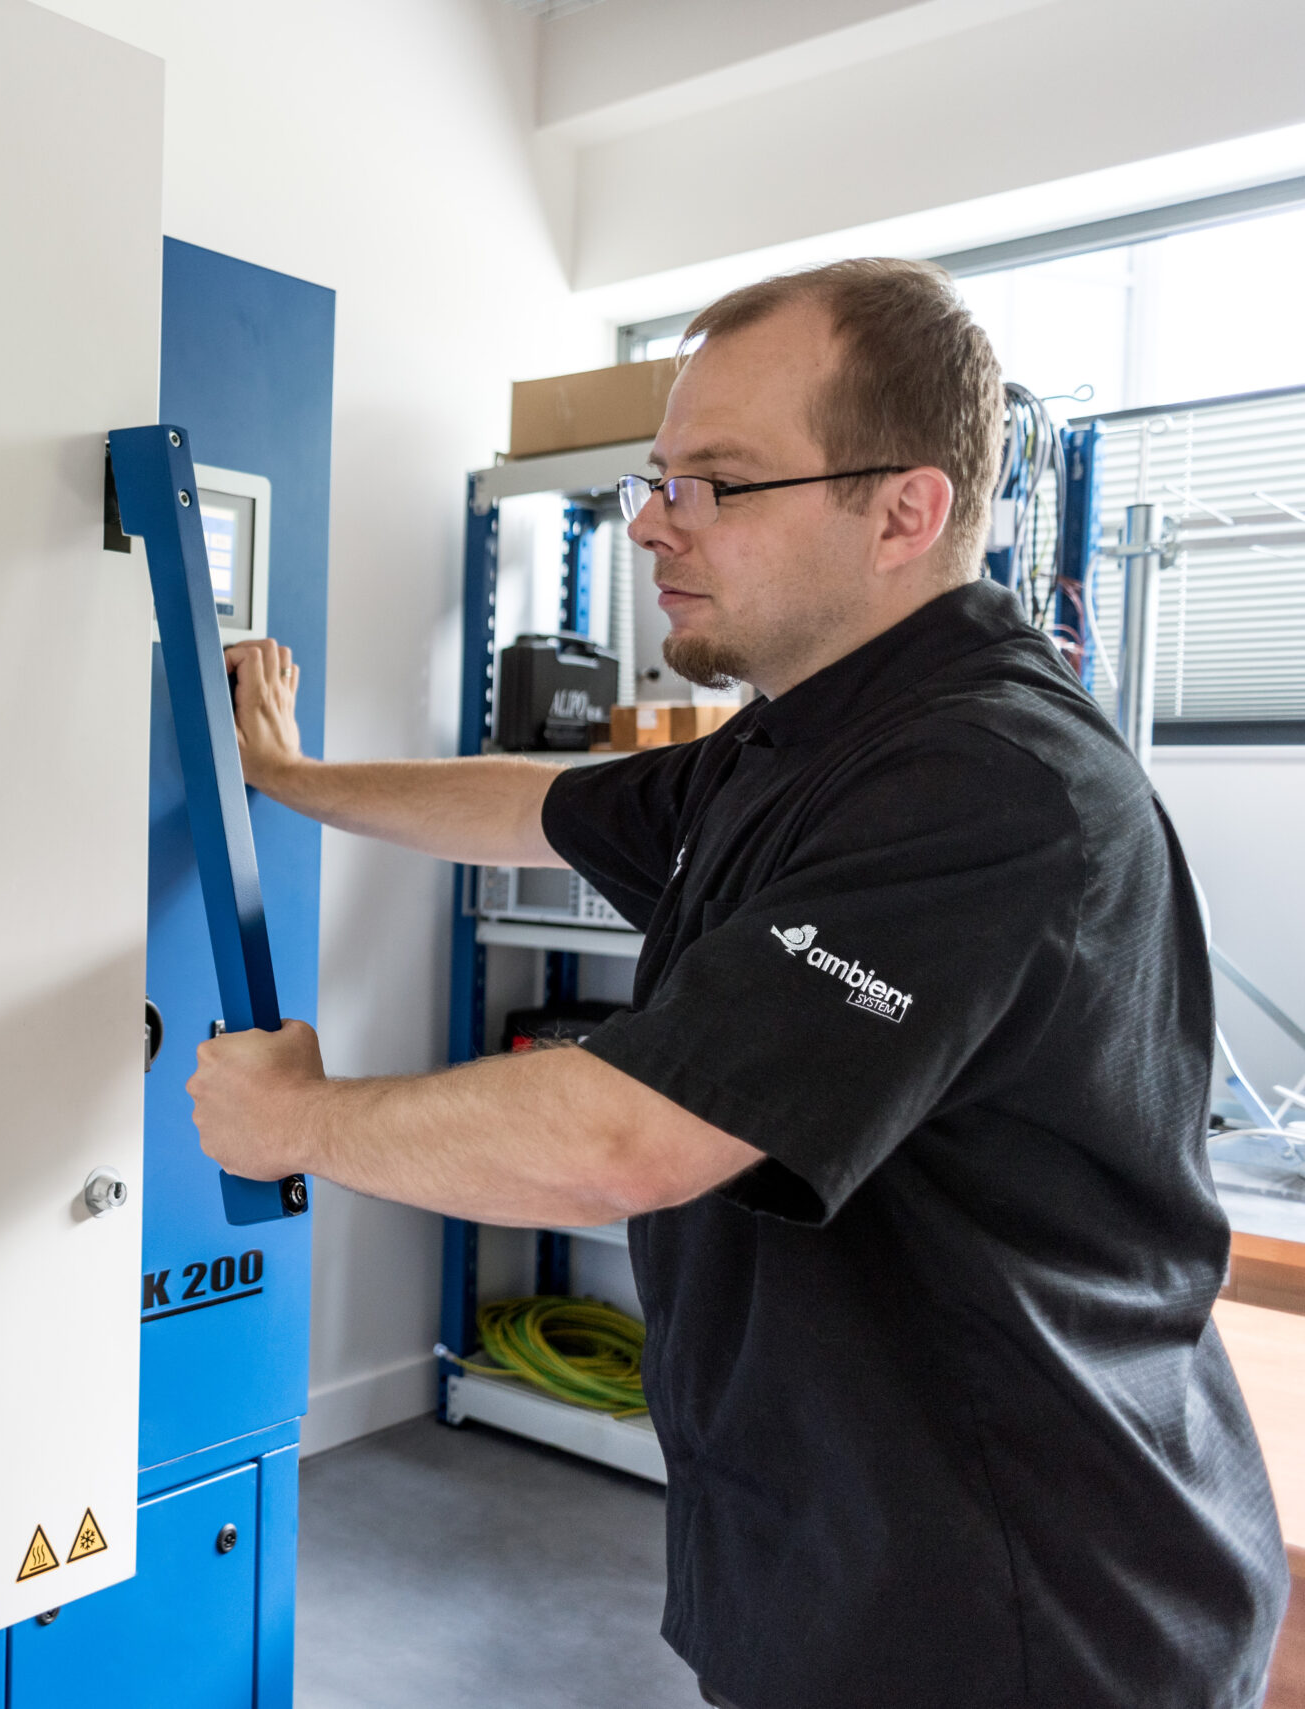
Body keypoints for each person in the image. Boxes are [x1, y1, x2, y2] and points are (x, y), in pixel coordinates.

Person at [196, 258, 1285, 1708]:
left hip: (1023, 1604)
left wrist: (292, 1121)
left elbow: (623, 1141)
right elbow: (536, 805)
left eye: (714, 482)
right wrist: (290, 777)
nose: (653, 521)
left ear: (904, 513)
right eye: (655, 481)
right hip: (837, 1558)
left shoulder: (990, 781)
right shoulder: (801, 735)